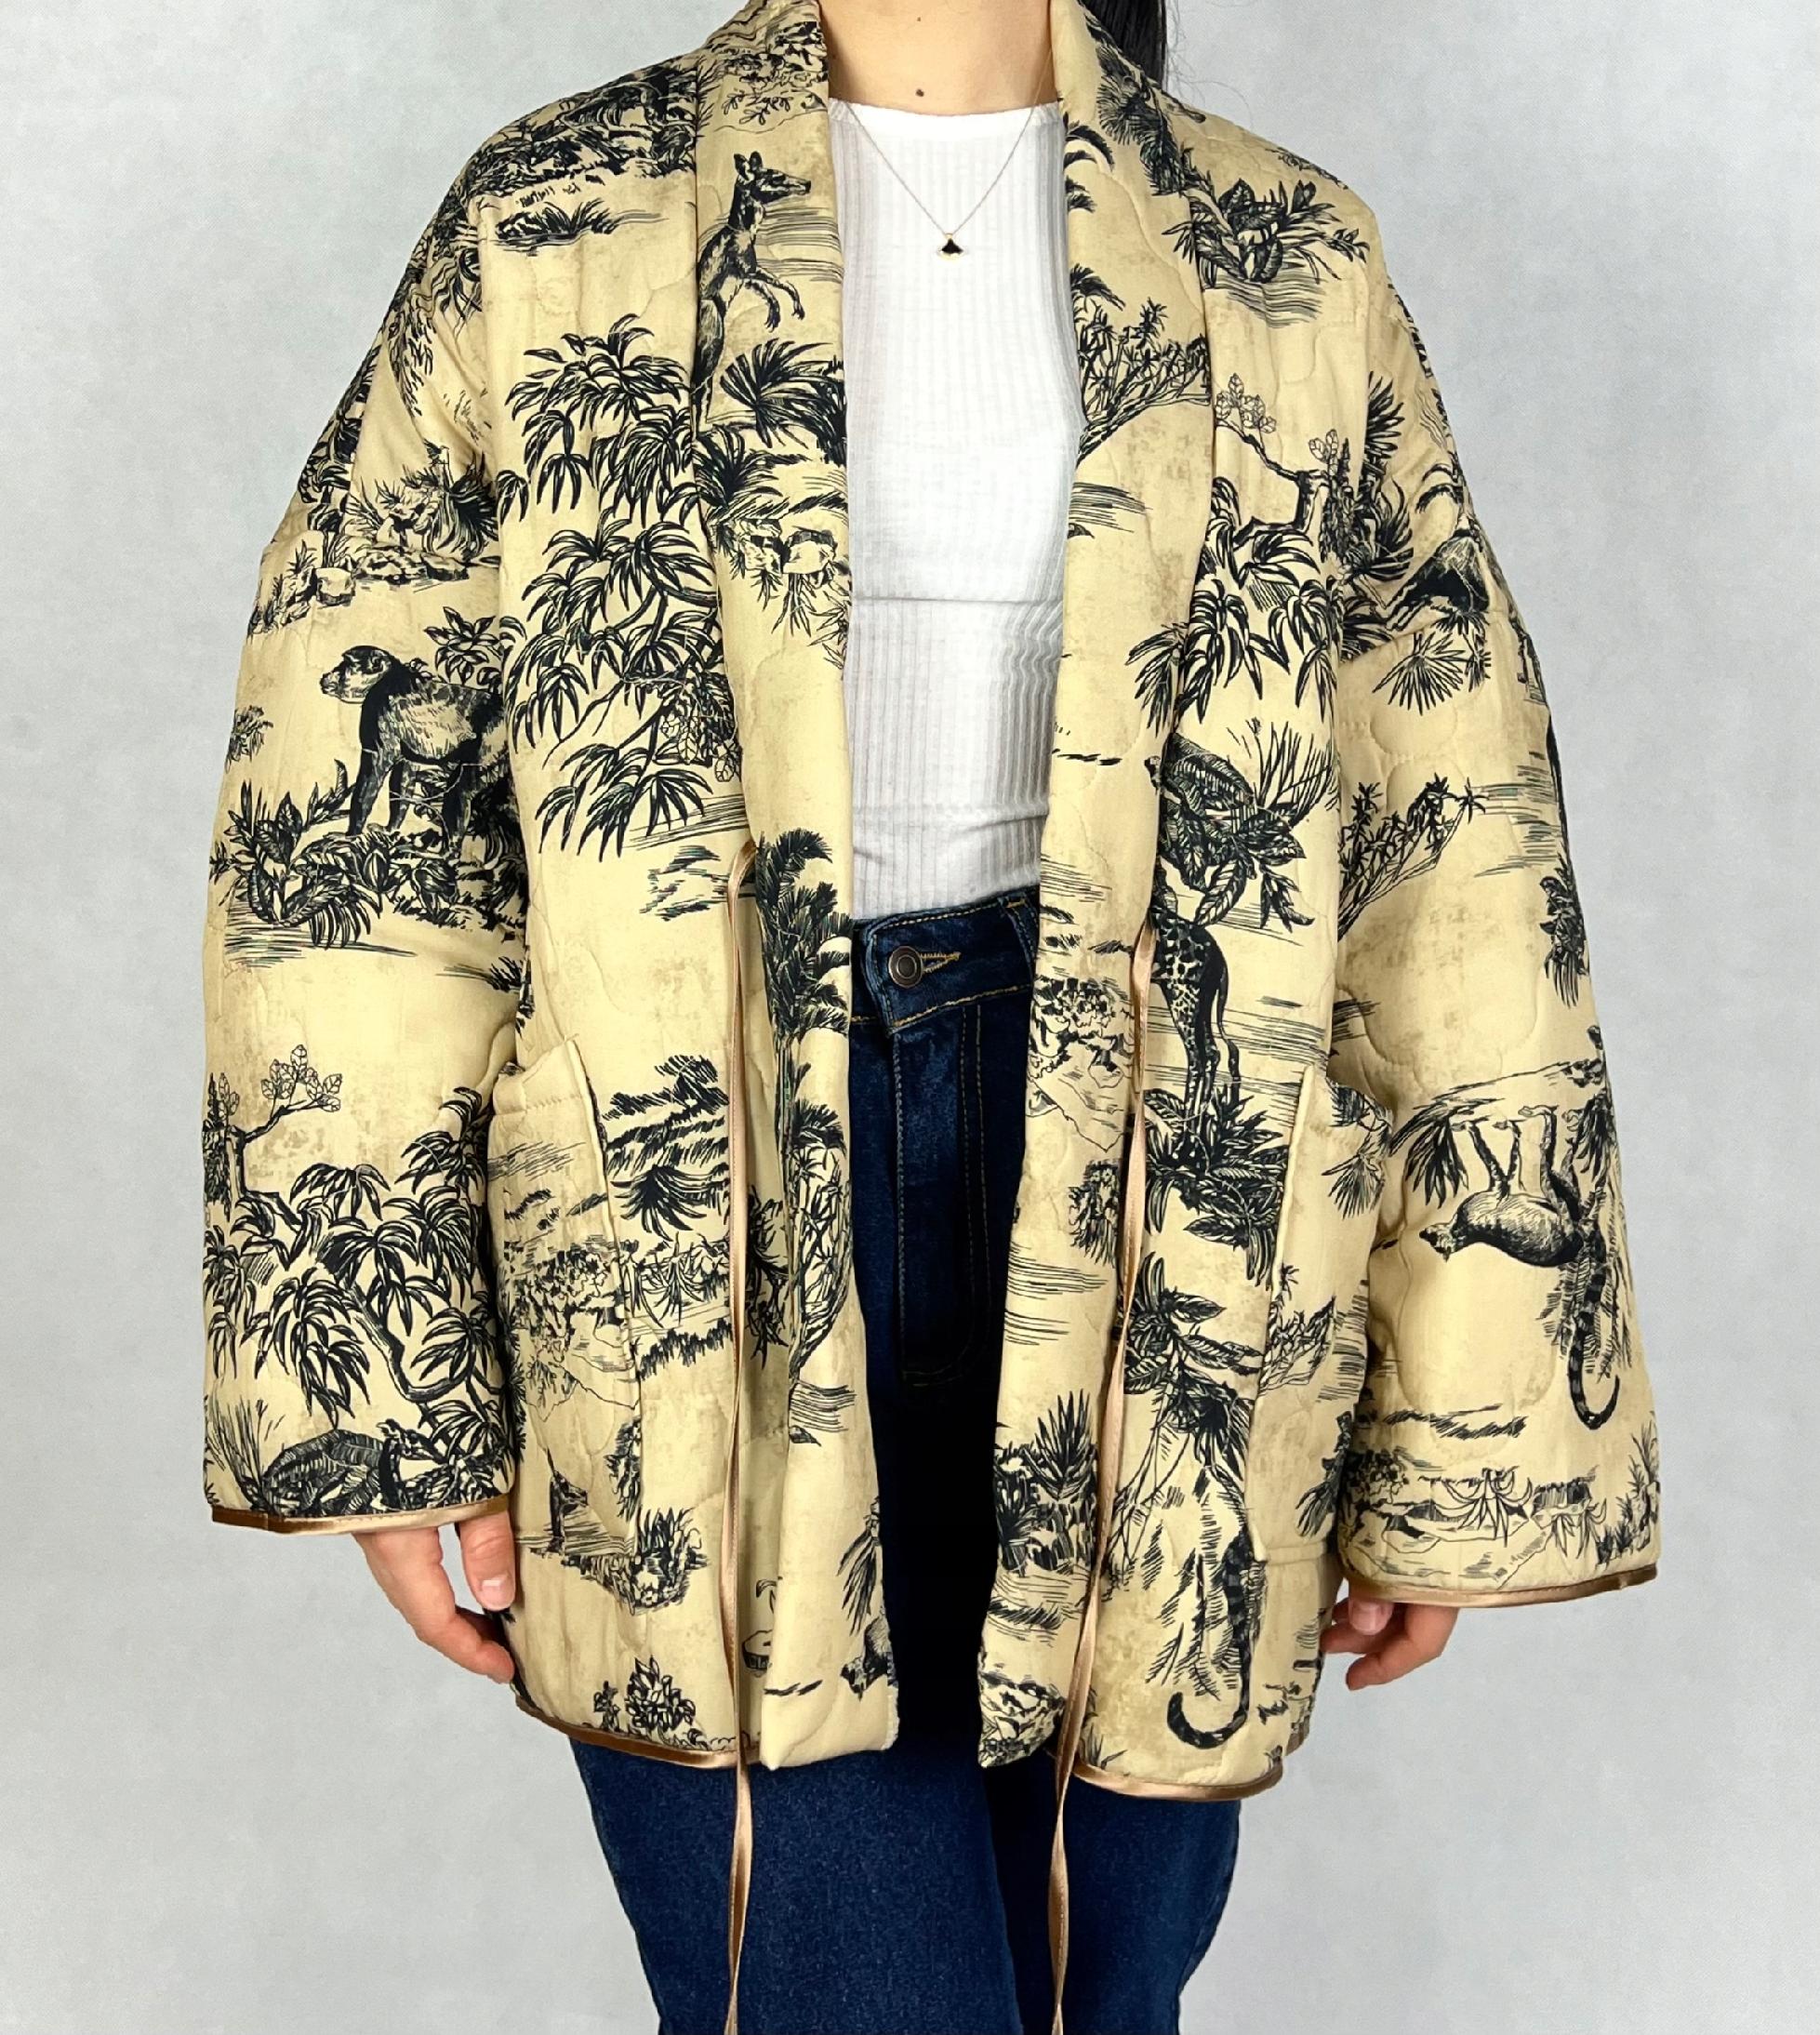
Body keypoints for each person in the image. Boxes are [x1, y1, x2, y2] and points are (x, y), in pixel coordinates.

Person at [197, 2, 1662, 2029]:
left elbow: (1456, 841)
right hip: (705, 1214)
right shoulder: (558, 217)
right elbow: (351, 846)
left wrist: (1462, 1424)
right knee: (842, 1977)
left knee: (1098, 1976)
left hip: (1171, 1217)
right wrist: (374, 1390)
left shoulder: (1284, 252)